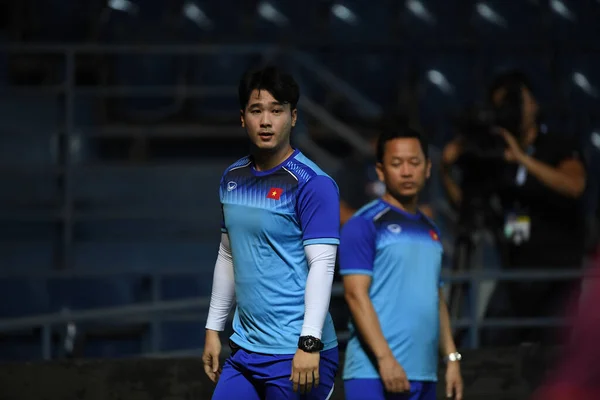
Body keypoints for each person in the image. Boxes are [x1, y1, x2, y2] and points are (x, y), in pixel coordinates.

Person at [201, 66, 340, 399]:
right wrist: (212, 328)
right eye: (256, 110)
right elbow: (228, 254)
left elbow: (322, 265)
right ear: (242, 118)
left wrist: (309, 342)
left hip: (297, 352)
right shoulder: (232, 177)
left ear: (293, 118)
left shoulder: (313, 183)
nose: (266, 121)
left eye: (276, 110)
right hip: (245, 350)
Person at [441, 70, 587, 346]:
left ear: (534, 105)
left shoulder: (557, 146)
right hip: (514, 272)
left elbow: (574, 185)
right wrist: (445, 173)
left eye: (515, 102)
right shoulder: (495, 156)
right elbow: (467, 206)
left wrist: (521, 158)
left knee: (551, 355)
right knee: (490, 345)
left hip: (557, 274)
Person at [339, 127, 463, 400]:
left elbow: (436, 296)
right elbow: (355, 295)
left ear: (428, 168)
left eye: (414, 162)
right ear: (381, 171)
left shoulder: (431, 229)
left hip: (425, 373)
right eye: (397, 164)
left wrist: (451, 358)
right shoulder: (363, 224)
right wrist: (385, 360)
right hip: (373, 374)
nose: (406, 171)